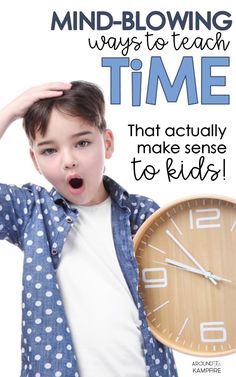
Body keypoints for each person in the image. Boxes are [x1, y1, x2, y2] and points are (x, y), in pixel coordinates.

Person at [0, 81, 178, 377]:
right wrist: (7, 113)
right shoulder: (32, 212)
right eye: (49, 150)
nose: (69, 160)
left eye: (82, 143)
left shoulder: (142, 214)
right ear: (35, 160)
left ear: (107, 143)